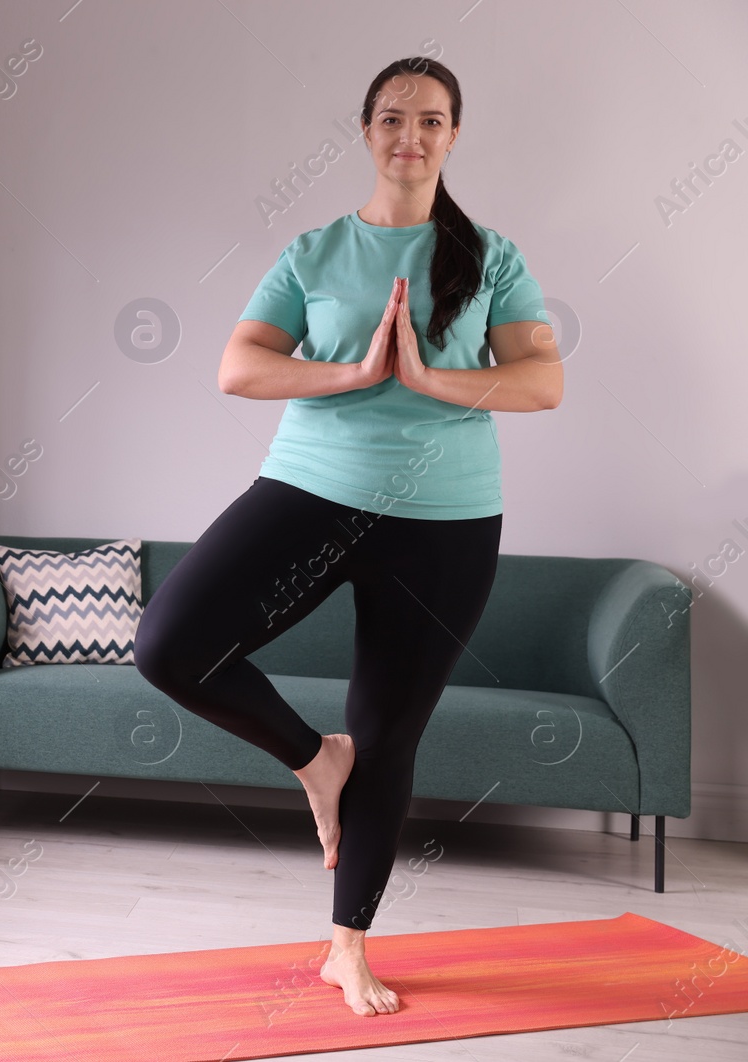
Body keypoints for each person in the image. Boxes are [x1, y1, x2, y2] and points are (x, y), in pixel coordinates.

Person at [132, 57, 563, 1018]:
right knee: (169, 645)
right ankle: (311, 760)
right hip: (311, 493)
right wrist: (354, 373)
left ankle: (347, 947)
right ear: (366, 131)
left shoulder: (489, 256)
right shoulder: (315, 249)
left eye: (433, 120)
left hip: (447, 522)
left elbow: (543, 382)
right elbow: (239, 367)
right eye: (393, 117)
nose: (412, 134)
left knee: (389, 738)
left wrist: (428, 380)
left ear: (455, 137)